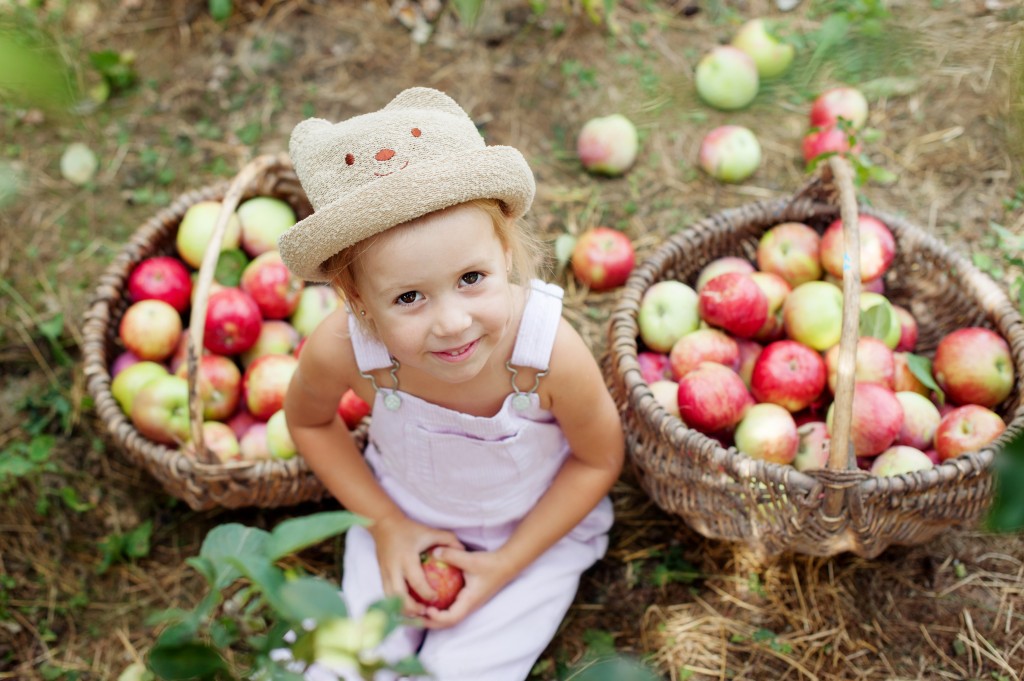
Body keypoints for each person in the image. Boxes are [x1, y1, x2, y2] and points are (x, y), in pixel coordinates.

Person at [277, 86, 625, 681]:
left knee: (465, 672)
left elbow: (598, 460)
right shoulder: (347, 347)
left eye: (472, 278)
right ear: (358, 301)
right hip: (399, 516)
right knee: (340, 664)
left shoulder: (543, 351)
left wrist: (509, 563)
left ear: (506, 251)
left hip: (532, 533)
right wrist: (385, 523)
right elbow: (308, 419)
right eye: (408, 297)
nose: (452, 323)